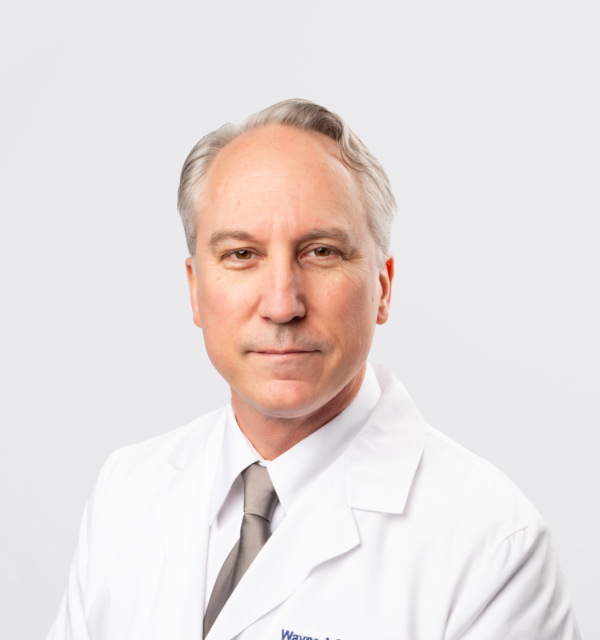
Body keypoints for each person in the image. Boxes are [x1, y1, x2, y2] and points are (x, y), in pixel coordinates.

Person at [47, 99, 580, 640]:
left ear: (382, 288)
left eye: (321, 252)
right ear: (194, 289)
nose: (282, 304)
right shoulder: (126, 490)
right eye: (241, 254)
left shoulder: (491, 545)